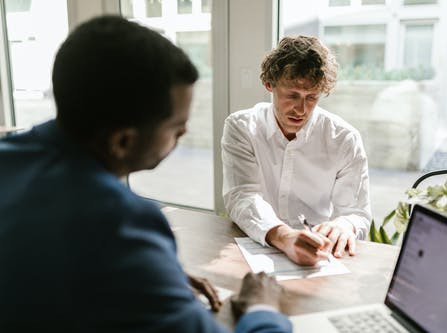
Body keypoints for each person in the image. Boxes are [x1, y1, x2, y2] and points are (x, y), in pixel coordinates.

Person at [0, 16, 291, 333]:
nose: (185, 131)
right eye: (176, 128)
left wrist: (150, 275)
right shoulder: (123, 223)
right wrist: (263, 308)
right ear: (122, 141)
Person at [222, 35, 371, 266]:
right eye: (292, 95)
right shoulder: (242, 127)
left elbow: (357, 213)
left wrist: (344, 225)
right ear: (269, 84)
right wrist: (284, 236)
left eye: (311, 97)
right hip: (254, 249)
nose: (301, 109)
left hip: (319, 254)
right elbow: (242, 196)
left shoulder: (344, 139)